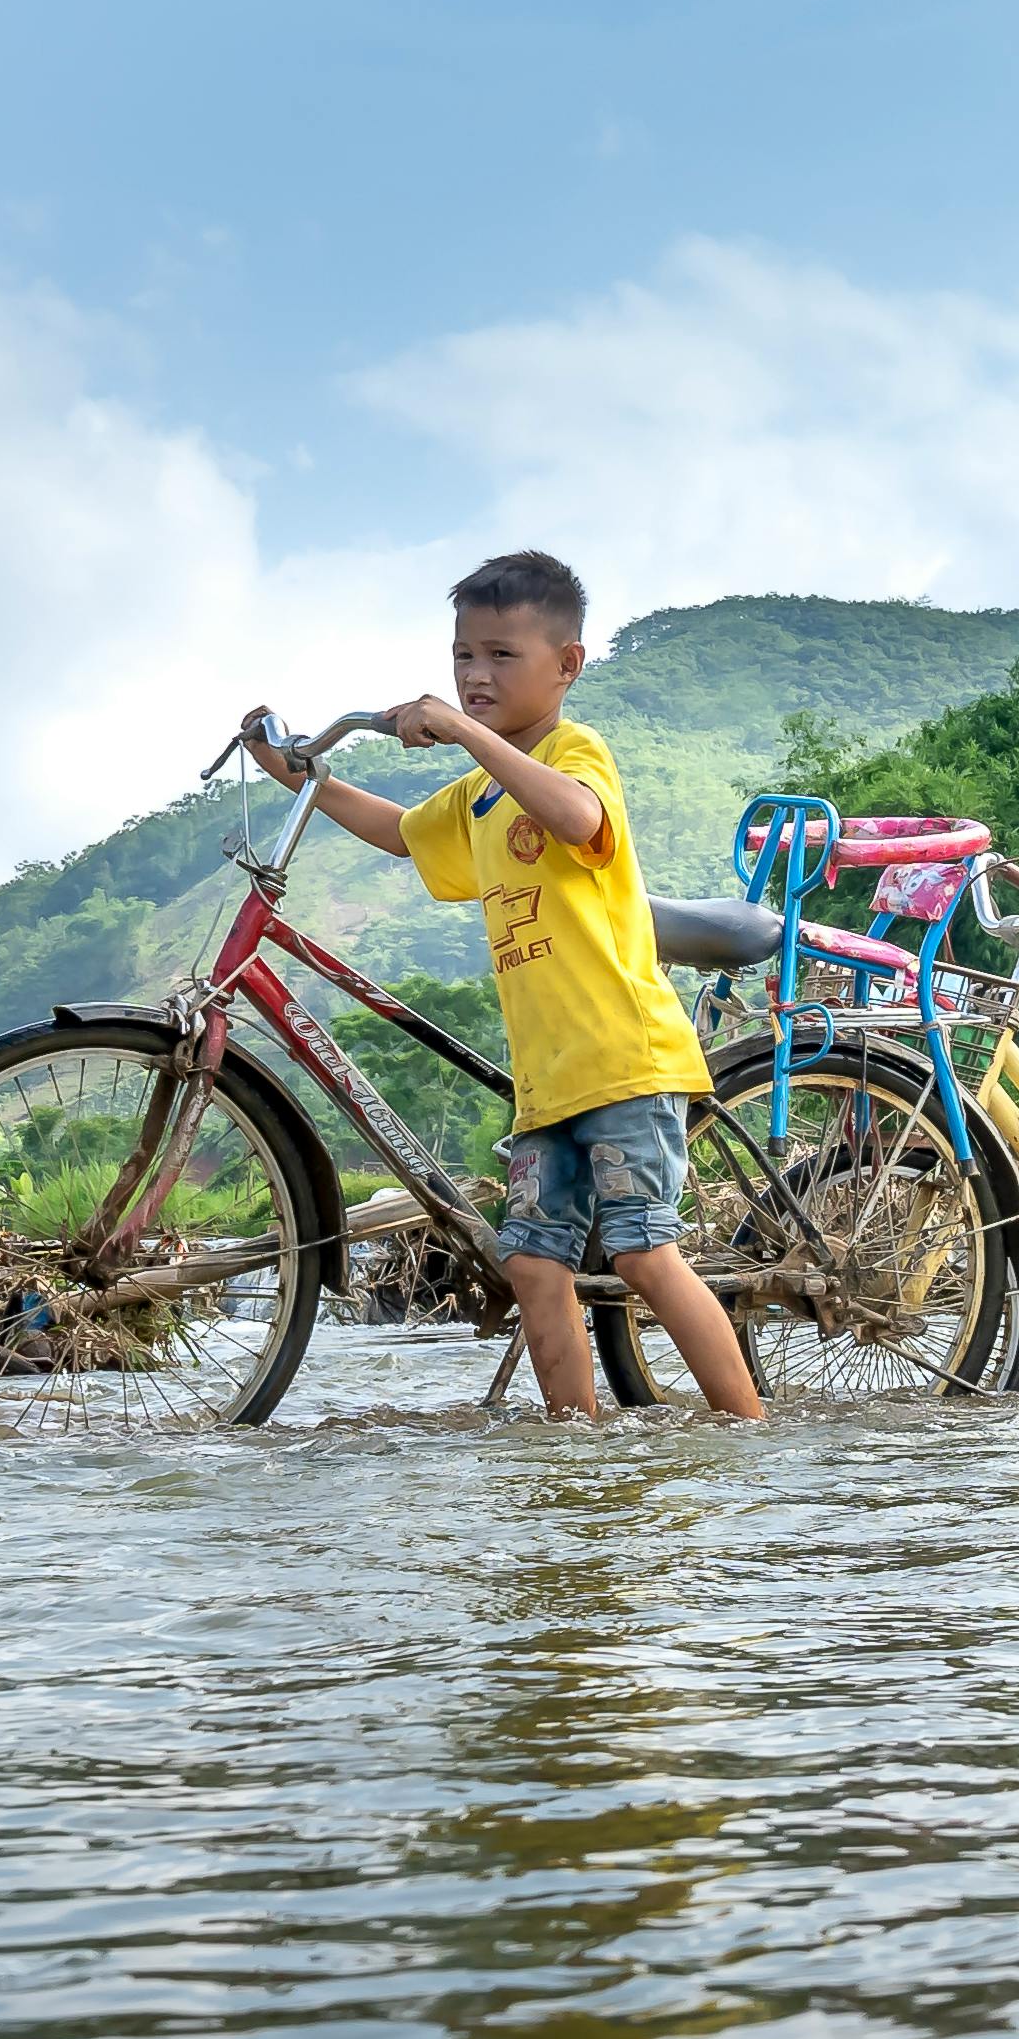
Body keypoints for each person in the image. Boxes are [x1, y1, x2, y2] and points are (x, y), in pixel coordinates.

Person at [244, 549, 761, 1422]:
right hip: (548, 1080)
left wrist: (462, 729)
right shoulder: (480, 796)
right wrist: (297, 772)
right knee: (531, 1264)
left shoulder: (572, 752)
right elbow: (402, 834)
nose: (475, 675)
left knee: (641, 1252)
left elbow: (580, 816)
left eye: (500, 655)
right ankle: (575, 1444)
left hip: (626, 1060)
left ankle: (747, 1433)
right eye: (462, 656)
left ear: (567, 666)